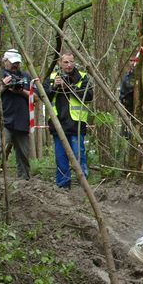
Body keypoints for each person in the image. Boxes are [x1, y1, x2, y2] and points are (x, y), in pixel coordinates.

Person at [45, 53, 93, 189]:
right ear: (60, 63)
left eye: (71, 62)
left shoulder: (82, 77)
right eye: (65, 62)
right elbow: (44, 96)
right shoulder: (52, 77)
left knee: (79, 155)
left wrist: (70, 88)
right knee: (61, 157)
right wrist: (55, 86)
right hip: (58, 124)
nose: (69, 65)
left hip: (76, 124)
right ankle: (63, 184)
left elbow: (89, 96)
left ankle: (83, 184)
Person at [0, 49, 33, 180]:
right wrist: (4, 86)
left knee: (23, 154)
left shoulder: (26, 77)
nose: (15, 65)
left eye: (17, 63)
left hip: (22, 121)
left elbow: (35, 97)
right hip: (4, 119)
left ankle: (24, 180)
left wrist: (21, 91)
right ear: (5, 61)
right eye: (13, 62)